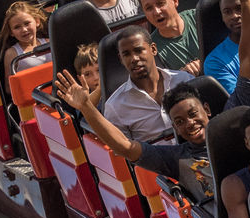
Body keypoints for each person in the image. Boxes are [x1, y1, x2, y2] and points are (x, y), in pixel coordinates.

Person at [56, 71, 213, 197]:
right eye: (180, 122)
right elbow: (126, 147)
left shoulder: (226, 133)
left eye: (193, 114)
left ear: (206, 109)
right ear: (175, 128)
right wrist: (86, 106)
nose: (190, 123)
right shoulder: (176, 157)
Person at [102, 28, 192, 143]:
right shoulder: (115, 107)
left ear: (153, 49)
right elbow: (123, 151)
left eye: (138, 50)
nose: (134, 59)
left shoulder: (184, 80)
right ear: (121, 59)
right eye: (126, 54)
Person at [138, 0, 202, 73]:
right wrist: (182, 75)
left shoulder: (200, 18)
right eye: (149, 8)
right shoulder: (151, 51)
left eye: (160, 3)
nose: (156, 12)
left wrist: (206, 63)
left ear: (175, 1)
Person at [0, 1, 51, 80]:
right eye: (17, 27)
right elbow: (9, 85)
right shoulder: (12, 53)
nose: (24, 30)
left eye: (27, 23)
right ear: (11, 32)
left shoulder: (49, 42)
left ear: (37, 21)